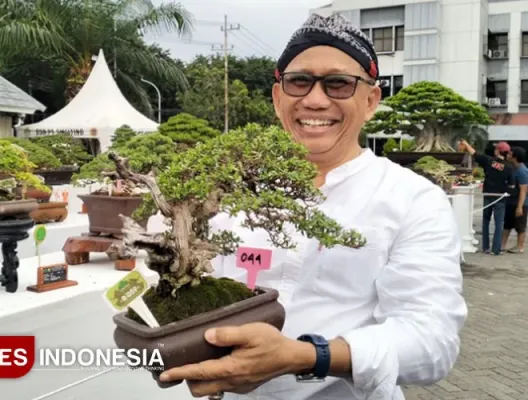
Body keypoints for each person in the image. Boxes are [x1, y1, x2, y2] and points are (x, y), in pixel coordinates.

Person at [159, 13, 467, 400]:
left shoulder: (413, 200)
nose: (316, 100)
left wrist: (309, 357)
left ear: (370, 101)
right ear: (277, 98)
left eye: (339, 83)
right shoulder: (224, 188)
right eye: (299, 81)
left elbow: (432, 342)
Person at [458, 140, 512, 255]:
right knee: (499, 224)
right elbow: (511, 185)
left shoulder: (488, 161)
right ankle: (496, 249)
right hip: (500, 197)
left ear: (498, 151)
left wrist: (466, 144)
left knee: (486, 221)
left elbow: (474, 154)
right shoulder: (509, 167)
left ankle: (485, 247)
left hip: (487, 194)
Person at [502, 146, 528, 253]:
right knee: (507, 225)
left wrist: (519, 207)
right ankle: (501, 245)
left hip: (520, 203)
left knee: (520, 226)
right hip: (510, 201)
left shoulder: (522, 171)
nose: (507, 155)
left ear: (515, 157)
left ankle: (519, 247)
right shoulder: (512, 168)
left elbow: (523, 190)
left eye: (509, 154)